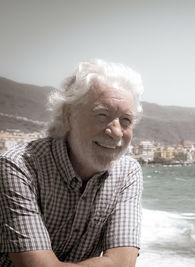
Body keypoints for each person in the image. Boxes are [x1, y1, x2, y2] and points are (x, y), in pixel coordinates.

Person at [0, 59, 144, 267]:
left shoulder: (128, 172)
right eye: (103, 115)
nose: (116, 132)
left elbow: (124, 263)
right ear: (68, 116)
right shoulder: (18, 166)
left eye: (126, 120)